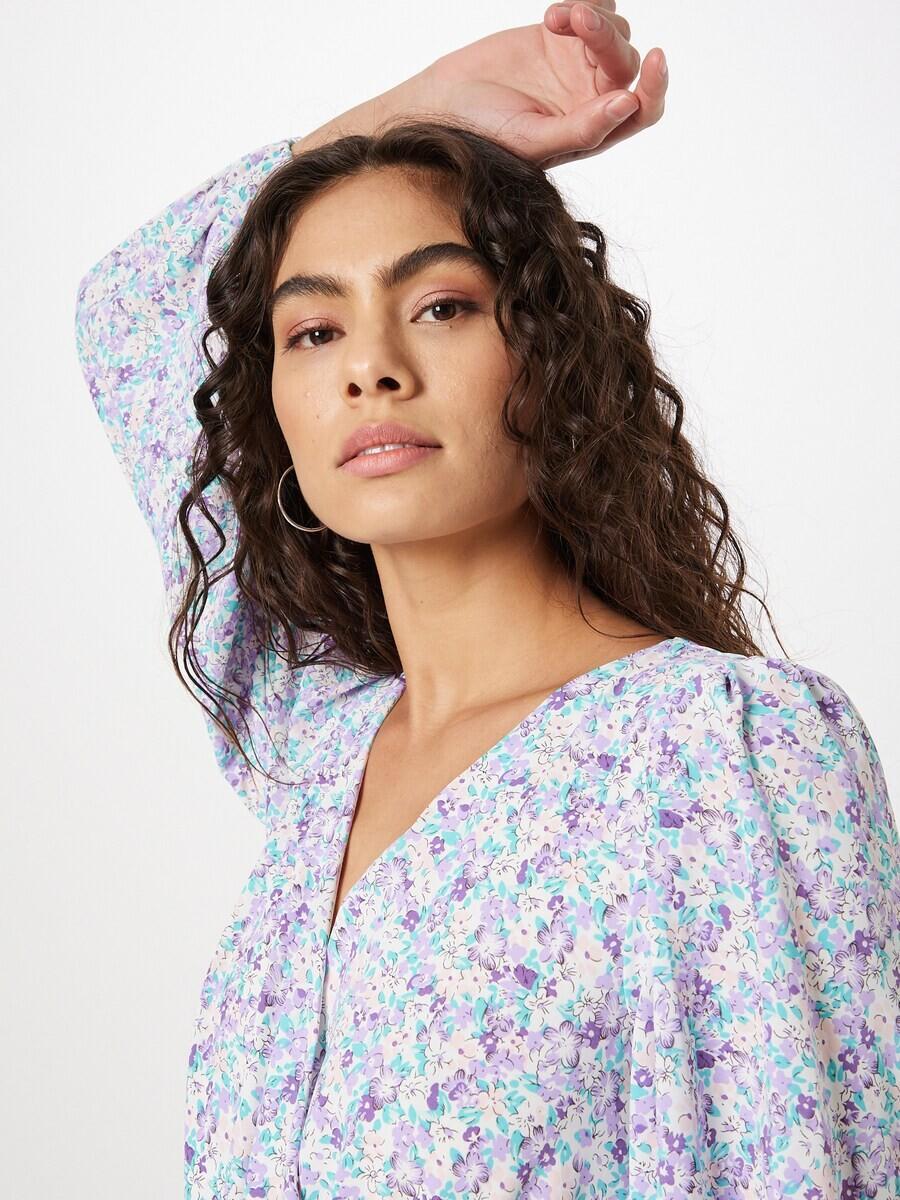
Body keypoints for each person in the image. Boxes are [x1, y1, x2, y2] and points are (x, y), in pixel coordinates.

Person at [74, 4, 899, 1198]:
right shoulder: (320, 744)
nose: (370, 367)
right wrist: (422, 110)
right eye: (314, 330)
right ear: (272, 410)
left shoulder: (718, 755)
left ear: (549, 359)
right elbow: (133, 313)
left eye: (441, 306)